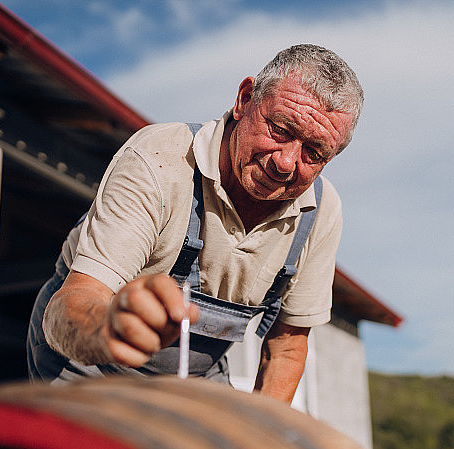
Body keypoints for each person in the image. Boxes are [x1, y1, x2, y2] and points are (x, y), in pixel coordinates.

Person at [27, 44, 363, 404]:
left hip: (195, 378)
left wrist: (262, 439)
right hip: (88, 368)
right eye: (280, 129)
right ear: (245, 99)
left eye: (314, 153)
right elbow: (74, 302)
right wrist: (109, 328)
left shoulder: (320, 212)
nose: (286, 162)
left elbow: (286, 347)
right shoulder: (160, 160)